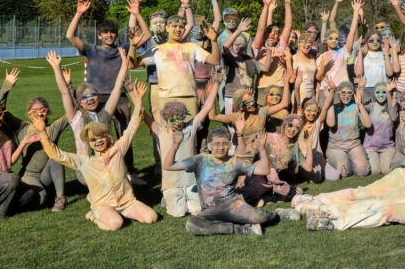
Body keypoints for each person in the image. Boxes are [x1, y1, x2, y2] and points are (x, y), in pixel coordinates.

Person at [34, 82, 159, 231]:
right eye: (93, 139)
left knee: (152, 218)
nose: (98, 141)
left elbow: (132, 128)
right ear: (88, 142)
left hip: (127, 202)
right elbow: (56, 154)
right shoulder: (84, 160)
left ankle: (118, 213)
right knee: (115, 224)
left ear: (107, 136)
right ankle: (94, 215)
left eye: (101, 137)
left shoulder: (117, 150)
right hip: (103, 204)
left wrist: (138, 104)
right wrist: (42, 133)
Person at [67, 0, 149, 184]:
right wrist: (78, 13)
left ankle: (128, 172)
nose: (109, 35)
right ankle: (98, 171)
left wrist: (137, 14)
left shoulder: (123, 48)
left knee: (124, 135)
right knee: (96, 136)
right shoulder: (92, 50)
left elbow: (146, 35)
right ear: (99, 35)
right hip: (95, 101)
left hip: (119, 98)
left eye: (112, 32)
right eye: (105, 33)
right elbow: (70, 36)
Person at [164, 125, 294, 236]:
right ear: (209, 146)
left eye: (225, 144)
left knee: (260, 217)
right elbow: (168, 166)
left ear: (229, 145)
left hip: (234, 206)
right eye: (216, 144)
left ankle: (277, 214)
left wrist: (261, 149)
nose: (220, 147)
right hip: (209, 211)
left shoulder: (235, 162)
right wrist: (175, 145)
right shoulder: (200, 160)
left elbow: (265, 170)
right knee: (192, 225)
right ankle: (242, 229)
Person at [46, 46, 132, 185]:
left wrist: (123, 62)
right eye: (85, 97)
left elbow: (117, 87)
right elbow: (65, 92)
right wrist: (56, 67)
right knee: (110, 182)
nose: (90, 99)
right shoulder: (76, 117)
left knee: (122, 180)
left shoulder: (105, 112)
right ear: (79, 102)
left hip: (108, 161)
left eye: (93, 95)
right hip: (87, 167)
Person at [0, 68, 69, 212]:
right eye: (34, 111)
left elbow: (73, 112)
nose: (39, 113)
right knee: (40, 199)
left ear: (48, 112)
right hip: (30, 175)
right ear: (29, 114)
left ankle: (60, 198)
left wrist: (68, 86)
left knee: (57, 158)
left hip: (47, 173)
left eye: (43, 110)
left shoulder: (54, 128)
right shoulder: (23, 127)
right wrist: (6, 87)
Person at [155, 79, 219, 218]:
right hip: (172, 183)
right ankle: (167, 196)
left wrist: (216, 86)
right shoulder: (161, 131)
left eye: (180, 118)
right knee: (179, 213)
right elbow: (142, 115)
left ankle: (186, 197)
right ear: (166, 119)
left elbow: (207, 107)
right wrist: (135, 97)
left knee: (197, 211)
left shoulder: (191, 127)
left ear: (184, 117)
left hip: (190, 181)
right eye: (172, 119)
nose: (177, 123)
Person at [324, 81, 373, 178]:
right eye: (343, 93)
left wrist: (360, 105)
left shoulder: (355, 107)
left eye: (349, 93)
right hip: (336, 147)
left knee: (363, 171)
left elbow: (368, 124)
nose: (346, 96)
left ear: (353, 94)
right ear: (338, 93)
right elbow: (331, 123)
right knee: (345, 172)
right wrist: (329, 101)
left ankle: (349, 160)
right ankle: (332, 162)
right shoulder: (334, 107)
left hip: (354, 145)